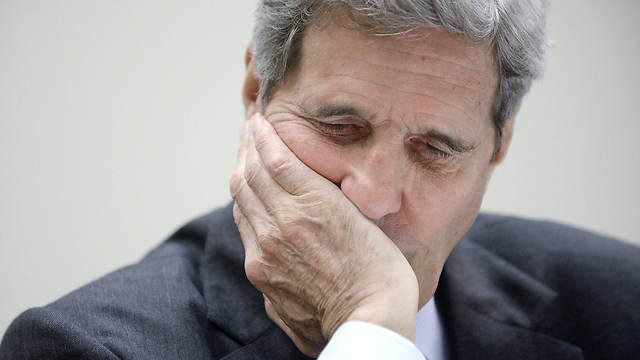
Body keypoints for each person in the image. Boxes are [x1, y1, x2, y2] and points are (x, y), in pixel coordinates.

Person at [1, 1, 639, 359]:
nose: (372, 197)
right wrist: (373, 329)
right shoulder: (84, 350)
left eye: (435, 148)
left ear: (500, 143)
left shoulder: (622, 304)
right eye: (340, 127)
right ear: (256, 91)